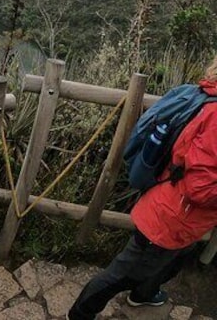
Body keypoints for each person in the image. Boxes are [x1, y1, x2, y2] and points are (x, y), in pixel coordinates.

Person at [68, 56, 217, 319]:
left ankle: (144, 295)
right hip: (171, 218)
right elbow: (200, 188)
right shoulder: (215, 116)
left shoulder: (202, 96)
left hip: (177, 212)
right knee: (122, 274)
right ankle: (79, 314)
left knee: (167, 264)